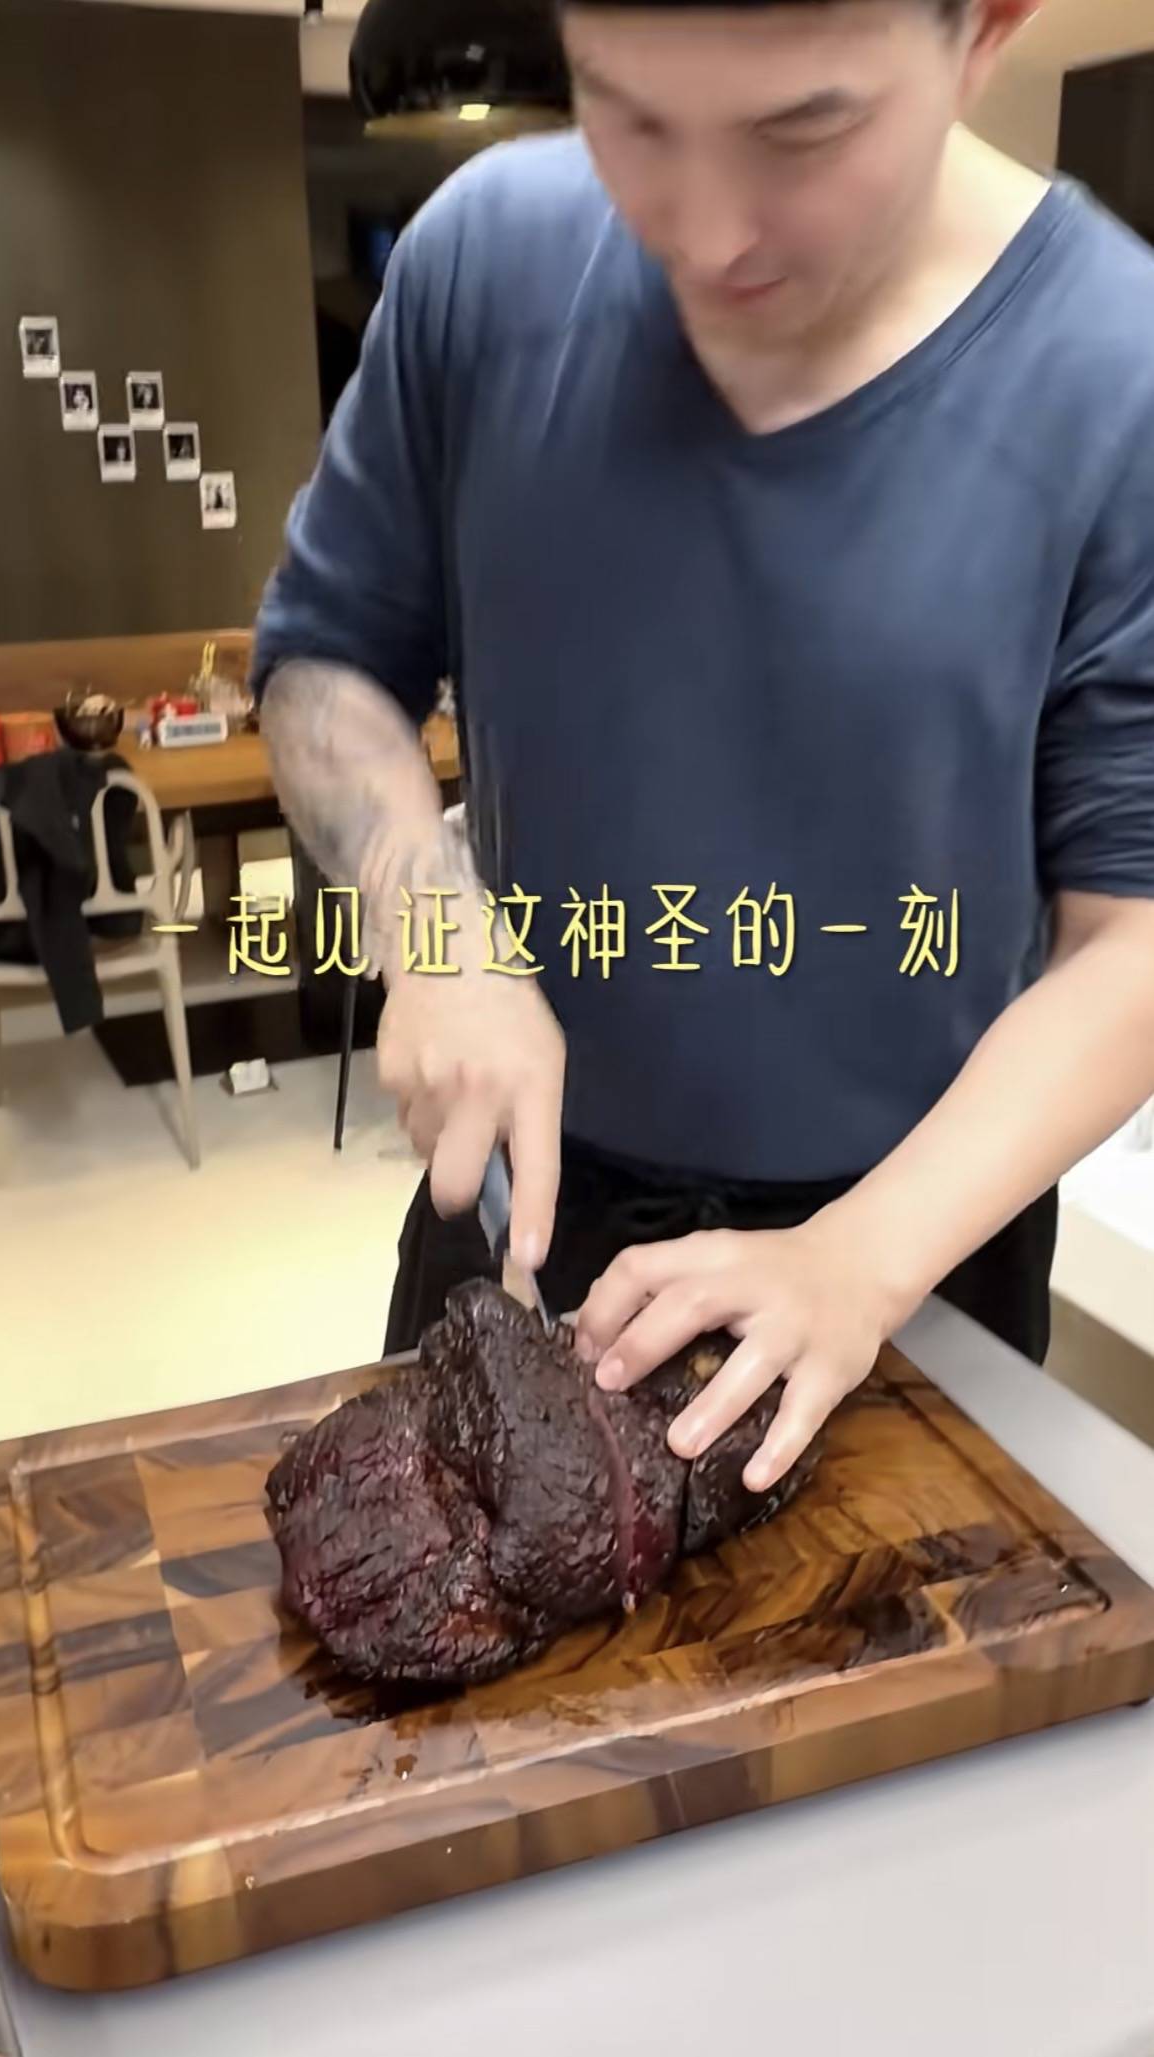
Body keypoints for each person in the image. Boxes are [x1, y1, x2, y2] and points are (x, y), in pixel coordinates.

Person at [251, 0, 1154, 1497]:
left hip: (910, 1247)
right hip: (533, 1210)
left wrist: (863, 1256)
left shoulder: (1119, 370)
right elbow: (325, 660)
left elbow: (1131, 934)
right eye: (629, 112)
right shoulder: (483, 258)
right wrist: (432, 924)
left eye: (804, 129)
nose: (705, 233)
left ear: (987, 27)